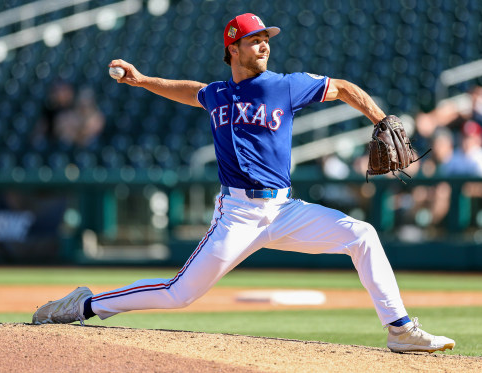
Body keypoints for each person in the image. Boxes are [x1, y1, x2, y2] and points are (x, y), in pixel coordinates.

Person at [32, 13, 455, 353]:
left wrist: (380, 118)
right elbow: (189, 90)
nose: (264, 44)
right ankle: (83, 305)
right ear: (233, 48)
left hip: (286, 210)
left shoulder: (285, 86)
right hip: (236, 214)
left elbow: (343, 88)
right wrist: (141, 80)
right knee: (179, 294)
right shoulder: (217, 94)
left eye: (266, 38)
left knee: (362, 234)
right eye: (255, 39)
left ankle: (399, 329)